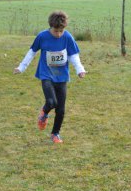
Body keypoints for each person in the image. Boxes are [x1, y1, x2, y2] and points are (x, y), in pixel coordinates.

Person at [13, 10, 86, 144]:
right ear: (51, 26)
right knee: (52, 102)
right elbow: (32, 52)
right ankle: (44, 113)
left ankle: (55, 134)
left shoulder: (67, 37)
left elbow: (73, 55)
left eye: (61, 31)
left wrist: (80, 69)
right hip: (46, 74)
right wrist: (21, 67)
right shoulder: (42, 36)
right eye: (56, 31)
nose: (58, 34)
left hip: (62, 76)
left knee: (61, 109)